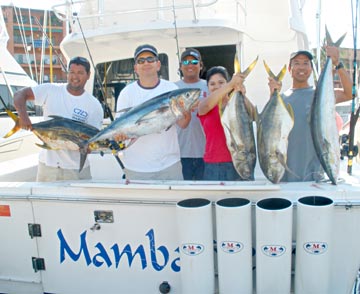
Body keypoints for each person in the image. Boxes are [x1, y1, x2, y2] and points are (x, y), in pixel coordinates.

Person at [268, 46, 353, 182]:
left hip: (315, 177)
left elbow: (350, 94)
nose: (301, 67)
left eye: (306, 63)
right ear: (290, 70)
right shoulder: (282, 99)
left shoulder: (321, 94)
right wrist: (272, 95)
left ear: (311, 69)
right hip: (285, 175)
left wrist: (338, 64)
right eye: (297, 63)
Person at [13, 56, 104, 181]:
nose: (75, 77)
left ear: (88, 75)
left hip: (76, 170)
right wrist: (23, 118)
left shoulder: (94, 105)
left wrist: (89, 147)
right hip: (47, 166)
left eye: (80, 73)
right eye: (71, 72)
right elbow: (19, 95)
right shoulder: (51, 90)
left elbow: (93, 139)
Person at [115, 44, 191, 180]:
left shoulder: (171, 89)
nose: (146, 63)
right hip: (136, 167)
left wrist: (186, 108)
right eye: (141, 60)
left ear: (158, 64)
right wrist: (119, 136)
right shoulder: (127, 93)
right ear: (136, 68)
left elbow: (184, 124)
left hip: (169, 164)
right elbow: (118, 127)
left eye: (150, 59)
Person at [197, 66, 246, 181]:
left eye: (221, 82)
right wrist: (230, 85)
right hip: (215, 165)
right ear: (207, 87)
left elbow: (252, 115)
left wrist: (242, 94)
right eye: (212, 84)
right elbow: (206, 106)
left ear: (227, 82)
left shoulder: (236, 103)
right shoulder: (204, 104)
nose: (217, 87)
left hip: (240, 161)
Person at [175, 48, 208, 180]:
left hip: (206, 153)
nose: (190, 65)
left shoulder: (210, 86)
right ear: (180, 67)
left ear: (201, 65)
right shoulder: (172, 88)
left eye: (194, 61)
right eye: (186, 62)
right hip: (179, 153)